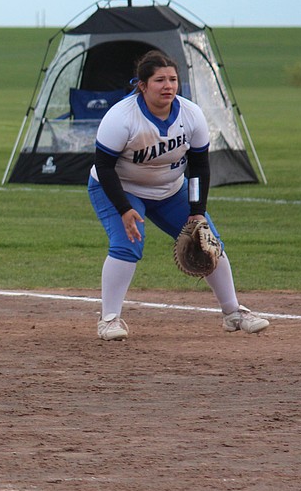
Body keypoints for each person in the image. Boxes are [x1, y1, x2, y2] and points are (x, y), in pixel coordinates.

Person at [88, 49, 269, 341]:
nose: (168, 85)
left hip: (171, 189)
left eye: (172, 79)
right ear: (143, 86)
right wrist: (124, 208)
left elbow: (199, 165)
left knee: (208, 242)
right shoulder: (122, 117)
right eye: (159, 80)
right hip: (120, 188)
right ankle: (109, 319)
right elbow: (104, 166)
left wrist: (197, 209)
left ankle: (233, 313)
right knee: (128, 243)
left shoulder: (190, 114)